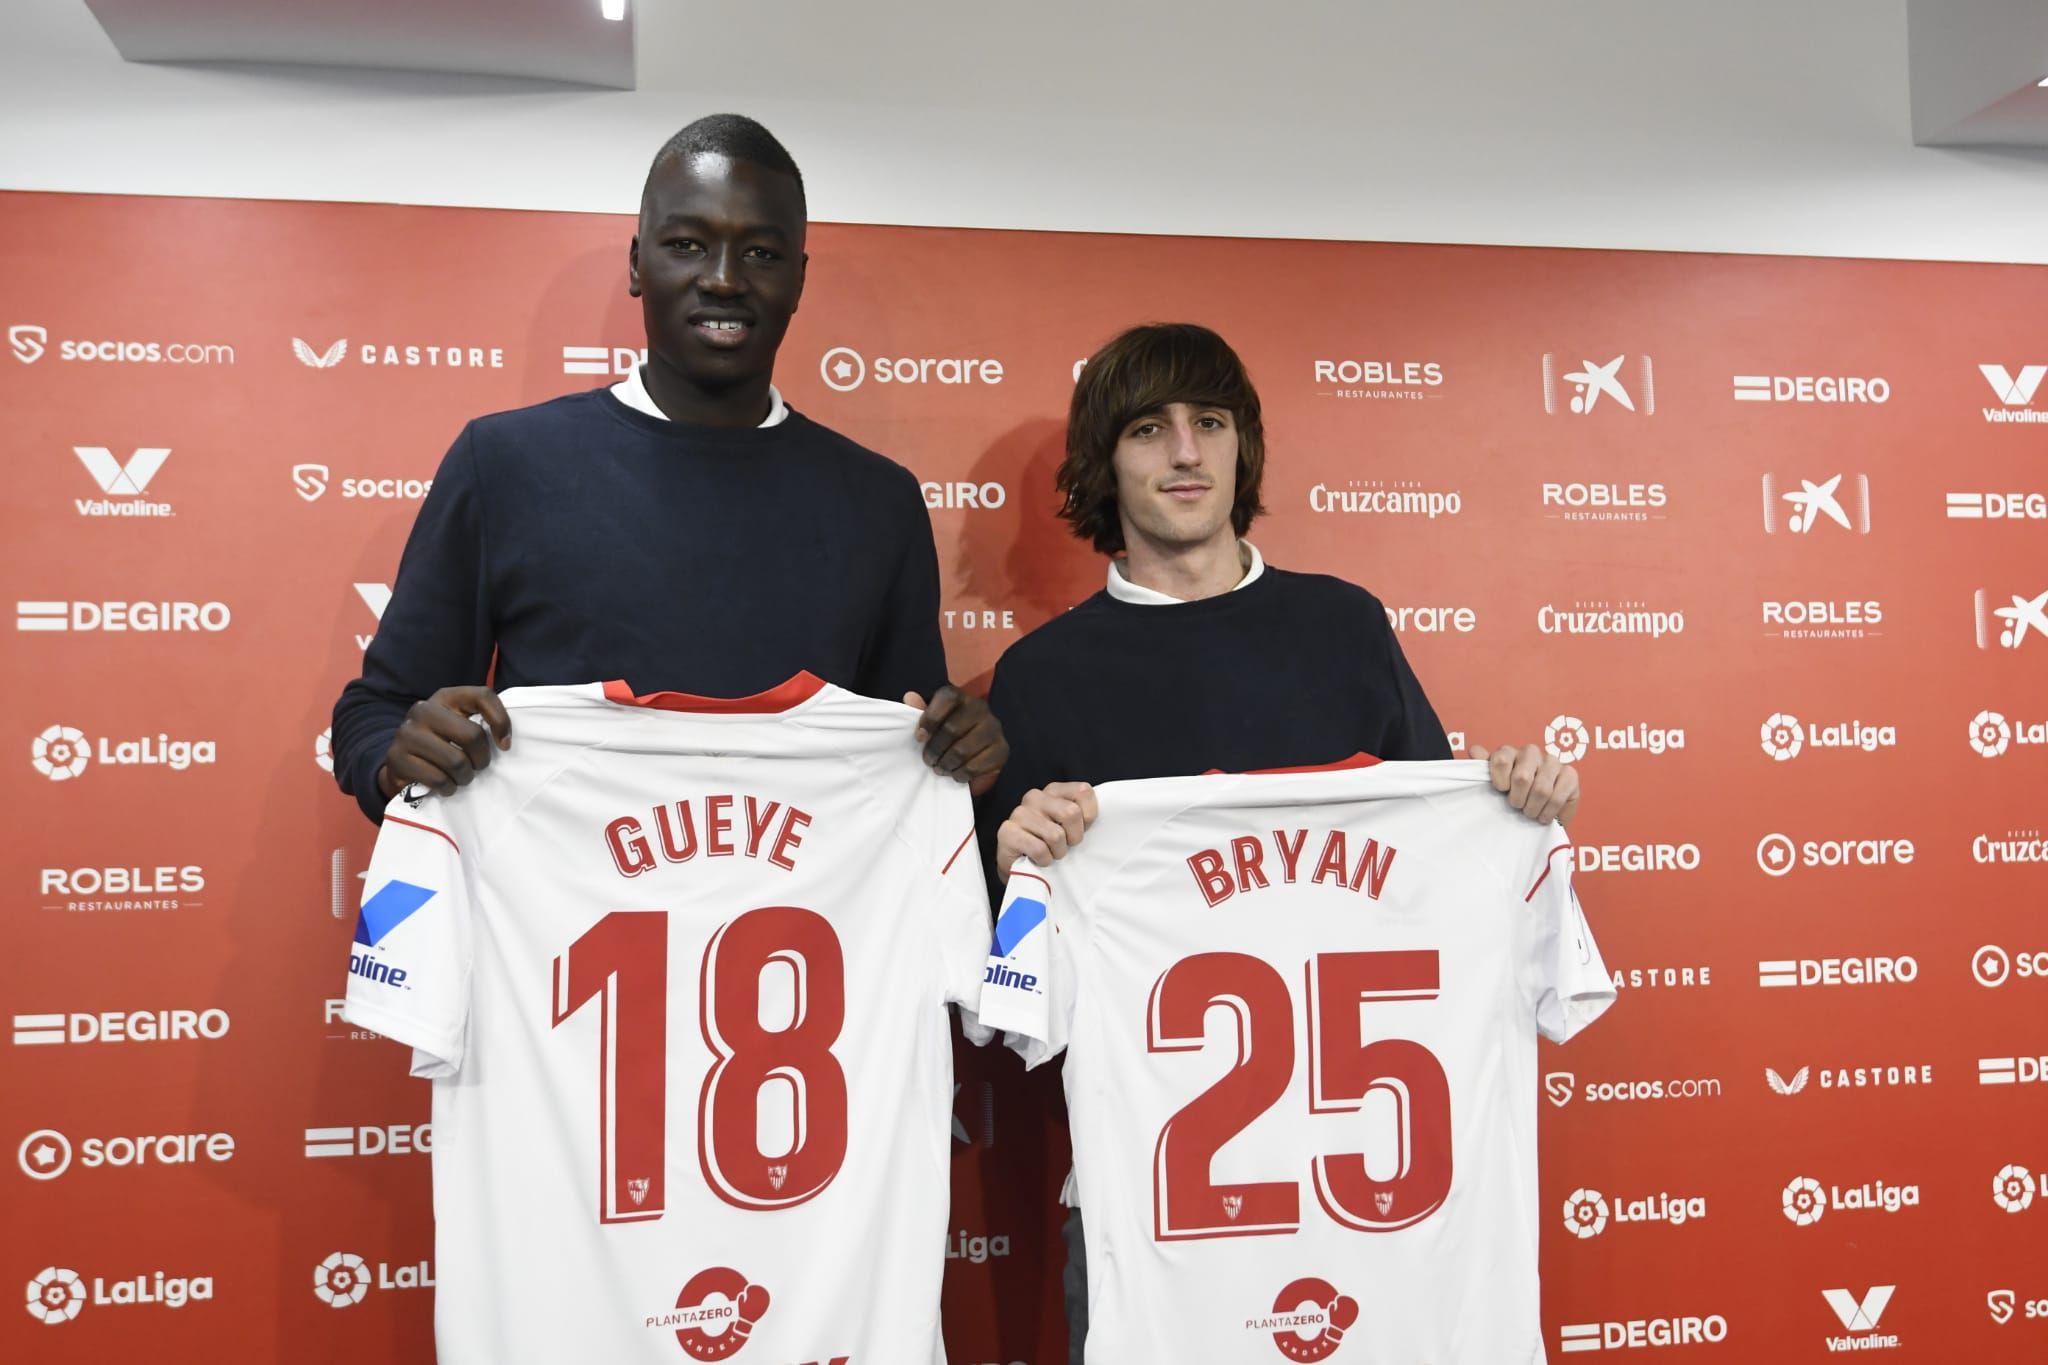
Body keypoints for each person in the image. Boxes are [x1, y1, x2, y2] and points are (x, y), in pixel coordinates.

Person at [978, 321, 1582, 1362]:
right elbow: (1009, 985)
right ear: (1103, 462)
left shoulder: (1342, 628)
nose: (1183, 453)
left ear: (1241, 447)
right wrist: (1013, 868)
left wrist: (1517, 805)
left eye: (1208, 423)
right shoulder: (1040, 679)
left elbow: (1438, 867)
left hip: (1378, 1203)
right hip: (1155, 1219)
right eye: (1147, 429)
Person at [330, 114, 1004, 820]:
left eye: (762, 254)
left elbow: (907, 753)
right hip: (554, 921)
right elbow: (375, 715)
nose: (723, 279)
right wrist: (396, 755)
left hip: (797, 924)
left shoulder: (879, 502)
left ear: (799, 280)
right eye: (687, 244)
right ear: (635, 263)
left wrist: (961, 753)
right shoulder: (502, 465)